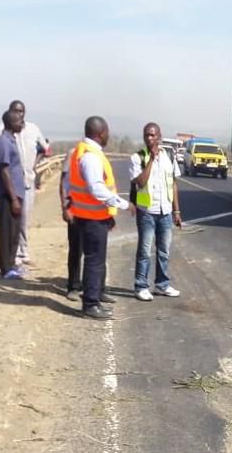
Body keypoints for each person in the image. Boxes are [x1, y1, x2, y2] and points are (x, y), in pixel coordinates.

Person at [66, 116, 129, 319]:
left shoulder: (81, 150)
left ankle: (95, 297)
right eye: (107, 131)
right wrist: (123, 204)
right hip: (91, 217)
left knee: (95, 260)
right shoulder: (91, 156)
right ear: (100, 133)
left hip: (88, 214)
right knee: (94, 260)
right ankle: (90, 304)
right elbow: (96, 188)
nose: (109, 135)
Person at [0, 100, 47, 268]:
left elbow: (44, 148)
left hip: (26, 180)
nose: (20, 115)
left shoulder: (32, 129)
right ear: (10, 115)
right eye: (16, 112)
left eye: (22, 112)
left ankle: (20, 253)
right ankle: (10, 262)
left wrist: (34, 164)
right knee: (10, 226)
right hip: (10, 187)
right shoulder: (2, 136)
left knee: (22, 221)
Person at [130, 122, 182, 300]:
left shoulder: (169, 156)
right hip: (146, 212)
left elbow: (173, 183)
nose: (149, 138)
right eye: (146, 135)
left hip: (165, 212)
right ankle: (140, 286)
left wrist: (177, 212)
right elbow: (141, 182)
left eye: (152, 135)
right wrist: (151, 159)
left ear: (159, 136)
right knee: (144, 252)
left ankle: (162, 284)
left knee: (164, 251)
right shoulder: (138, 157)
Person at [59, 150, 116, 304]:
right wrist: (65, 208)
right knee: (76, 249)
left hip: (96, 213)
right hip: (77, 210)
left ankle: (98, 289)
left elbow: (104, 187)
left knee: (98, 253)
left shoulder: (99, 155)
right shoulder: (73, 154)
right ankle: (74, 287)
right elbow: (64, 182)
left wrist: (109, 213)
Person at [0, 110, 25, 279]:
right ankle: (6, 268)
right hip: (8, 195)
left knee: (14, 232)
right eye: (19, 121)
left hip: (16, 194)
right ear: (11, 123)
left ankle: (11, 265)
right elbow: (4, 171)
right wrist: (13, 199)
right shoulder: (4, 141)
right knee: (7, 232)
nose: (22, 123)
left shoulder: (12, 139)